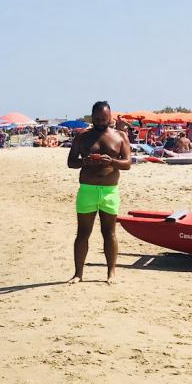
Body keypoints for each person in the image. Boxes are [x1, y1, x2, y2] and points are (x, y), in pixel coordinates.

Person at [67, 101, 130, 285]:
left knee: (109, 233)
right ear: (92, 117)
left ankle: (111, 273)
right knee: (83, 233)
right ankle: (78, 274)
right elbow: (71, 162)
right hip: (87, 189)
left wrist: (111, 161)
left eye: (104, 118)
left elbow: (127, 163)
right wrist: (85, 162)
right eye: (97, 119)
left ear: (110, 116)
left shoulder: (120, 136)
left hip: (110, 191)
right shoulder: (83, 137)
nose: (101, 121)